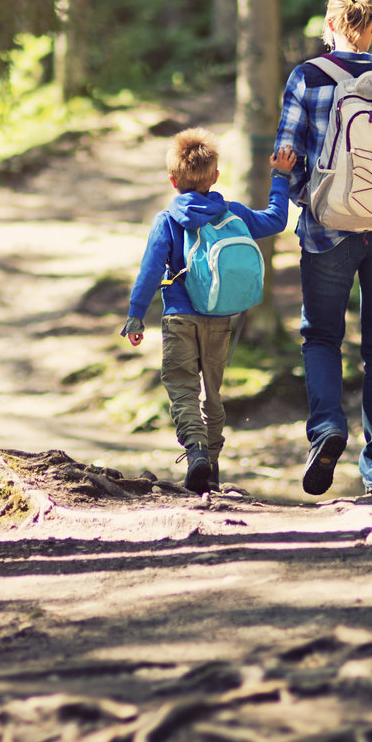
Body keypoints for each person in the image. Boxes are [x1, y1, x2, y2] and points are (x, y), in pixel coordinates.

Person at [273, 0, 372, 497]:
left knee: (321, 337)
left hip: (328, 231)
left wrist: (307, 197)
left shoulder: (307, 76)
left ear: (330, 24)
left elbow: (287, 152)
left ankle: (327, 429)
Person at [122, 129, 295, 494]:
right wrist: (280, 176)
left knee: (182, 387)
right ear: (215, 176)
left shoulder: (167, 220)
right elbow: (277, 220)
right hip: (220, 316)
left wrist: (136, 315)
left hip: (179, 317)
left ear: (172, 180)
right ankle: (212, 466)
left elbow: (150, 270)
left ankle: (196, 450)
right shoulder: (232, 212)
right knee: (211, 393)